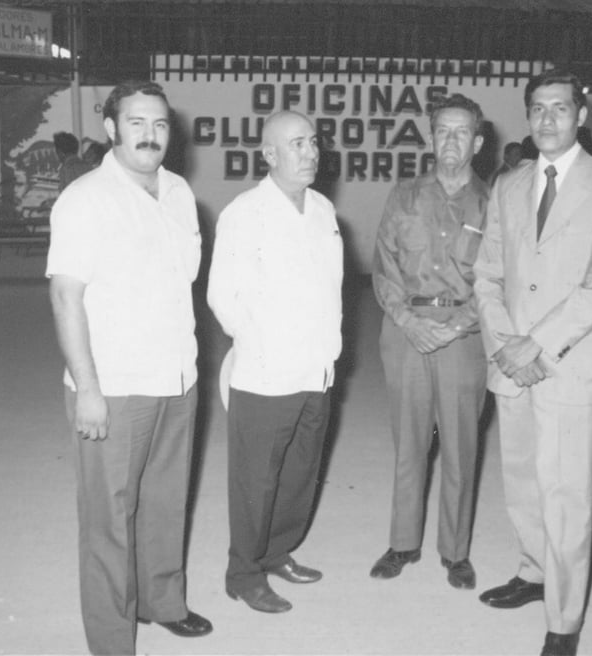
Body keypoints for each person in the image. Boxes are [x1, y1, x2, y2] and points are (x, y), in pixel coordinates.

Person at [473, 70, 592, 656]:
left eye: (560, 109)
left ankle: (564, 620)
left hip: (567, 365)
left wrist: (535, 345)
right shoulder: (509, 184)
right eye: (538, 109)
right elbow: (487, 273)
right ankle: (532, 570)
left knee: (566, 494)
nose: (548, 119)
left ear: (581, 117)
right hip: (512, 365)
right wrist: (505, 344)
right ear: (527, 117)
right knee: (522, 484)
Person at [46, 81, 212, 655]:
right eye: (137, 122)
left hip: (176, 378)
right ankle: (113, 640)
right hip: (112, 386)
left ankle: (163, 602)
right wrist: (88, 390)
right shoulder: (84, 199)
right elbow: (66, 298)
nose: (150, 134)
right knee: (109, 520)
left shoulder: (180, 192)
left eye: (161, 124)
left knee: (166, 502)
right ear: (112, 128)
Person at [207, 110, 343, 614]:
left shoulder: (324, 209)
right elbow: (223, 297)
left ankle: (277, 552)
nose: (310, 153)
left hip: (317, 370)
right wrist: (263, 344)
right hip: (266, 374)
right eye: (296, 144)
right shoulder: (245, 213)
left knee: (299, 474)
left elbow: (331, 289)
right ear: (269, 154)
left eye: (312, 142)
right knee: (255, 481)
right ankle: (243, 572)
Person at [369, 93, 489, 590]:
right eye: (443, 130)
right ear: (431, 137)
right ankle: (402, 543)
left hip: (465, 336)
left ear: (478, 142)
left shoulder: (494, 203)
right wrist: (406, 318)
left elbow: (498, 278)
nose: (451, 140)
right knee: (409, 443)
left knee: (460, 445)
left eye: (462, 131)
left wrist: (458, 325)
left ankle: (455, 551)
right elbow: (384, 262)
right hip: (405, 331)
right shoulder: (405, 195)